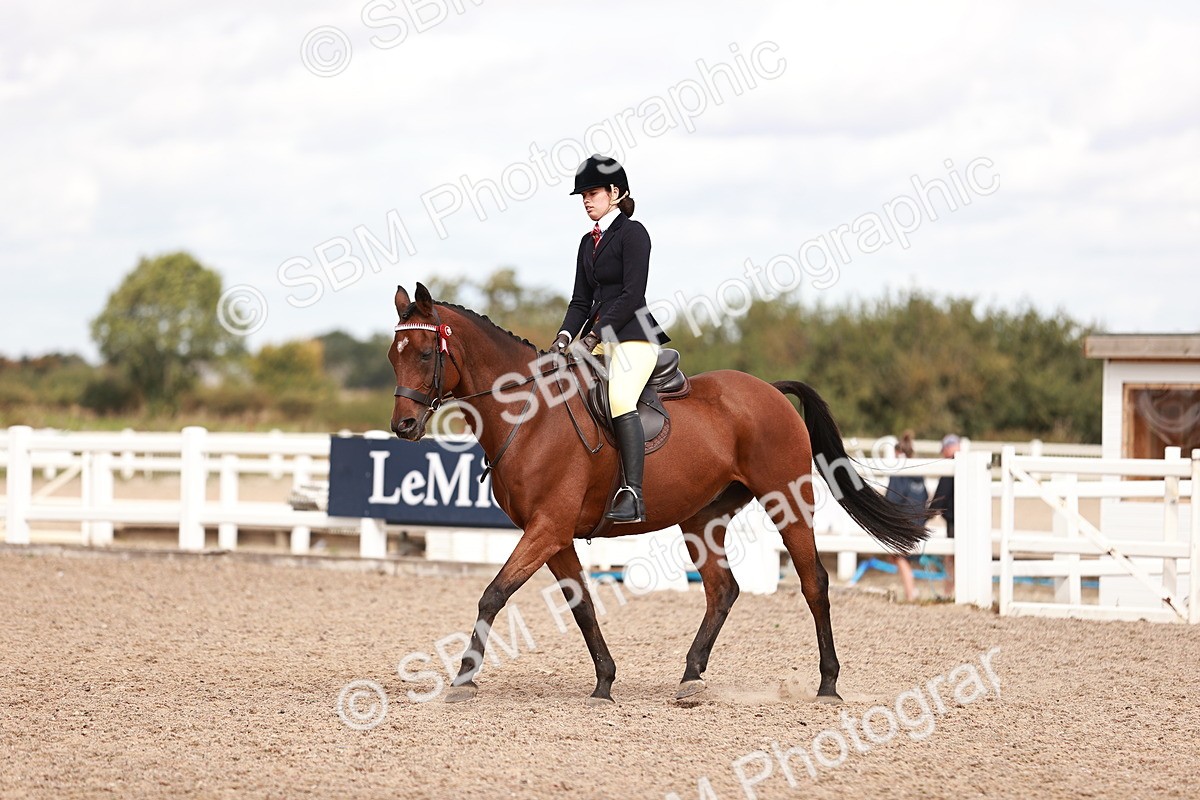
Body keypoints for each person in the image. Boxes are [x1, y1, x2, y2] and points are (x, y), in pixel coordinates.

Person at [549, 155, 671, 523]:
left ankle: (633, 493)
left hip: (634, 336)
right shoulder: (587, 243)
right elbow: (580, 301)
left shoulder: (633, 234)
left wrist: (593, 337)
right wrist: (564, 337)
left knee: (619, 397)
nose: (586, 200)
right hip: (597, 339)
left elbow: (632, 295)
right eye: (583, 195)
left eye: (593, 193)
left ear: (615, 193)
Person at [885, 430, 928, 601]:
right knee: (903, 557)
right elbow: (924, 495)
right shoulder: (918, 473)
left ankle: (911, 592)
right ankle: (911, 590)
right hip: (918, 518)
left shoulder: (898, 472)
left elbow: (893, 498)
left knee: (900, 556)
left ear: (897, 452)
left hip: (903, 518)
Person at [928, 433, 961, 598]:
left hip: (955, 520)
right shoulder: (967, 465)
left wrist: (926, 516)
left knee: (952, 557)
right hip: (967, 519)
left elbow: (940, 497)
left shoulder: (950, 467)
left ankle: (950, 592)